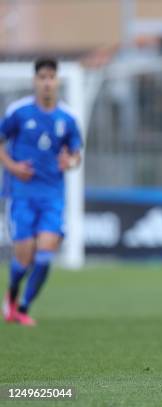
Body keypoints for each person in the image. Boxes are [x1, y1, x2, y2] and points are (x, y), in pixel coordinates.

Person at [0, 58, 82, 326]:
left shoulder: (68, 118)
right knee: (24, 259)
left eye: (51, 77)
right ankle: (11, 298)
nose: (47, 82)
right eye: (42, 77)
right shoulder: (19, 112)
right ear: (35, 81)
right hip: (22, 195)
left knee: (45, 255)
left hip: (52, 196)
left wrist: (70, 162)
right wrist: (13, 166)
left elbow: (76, 155)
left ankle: (23, 307)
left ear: (57, 81)